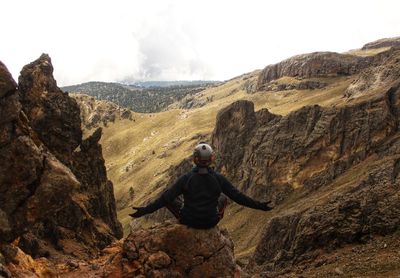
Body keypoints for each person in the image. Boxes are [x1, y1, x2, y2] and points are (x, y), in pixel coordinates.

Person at [130, 142, 272, 229]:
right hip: (211, 221)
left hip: (188, 220)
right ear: (211, 159)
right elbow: (239, 197)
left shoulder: (186, 179)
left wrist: (144, 211)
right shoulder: (219, 178)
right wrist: (260, 206)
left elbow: (164, 200)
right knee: (223, 198)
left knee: (169, 195)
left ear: (194, 159)